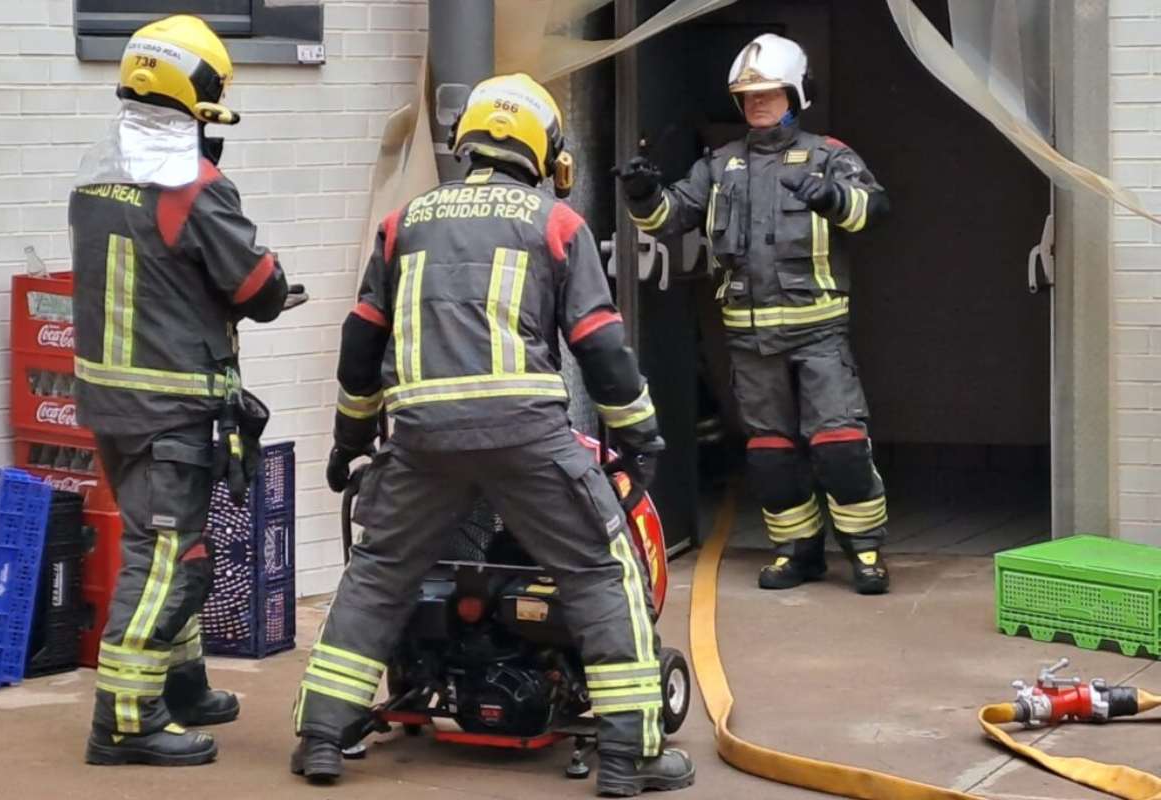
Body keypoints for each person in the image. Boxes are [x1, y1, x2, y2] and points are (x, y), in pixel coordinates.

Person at [289, 73, 695, 797]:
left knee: (378, 573)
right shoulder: (556, 223)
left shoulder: (404, 221)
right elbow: (599, 345)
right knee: (602, 573)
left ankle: (322, 736)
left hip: (419, 437)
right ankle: (631, 758)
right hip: (525, 435)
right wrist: (643, 437)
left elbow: (361, 347)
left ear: (467, 139)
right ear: (541, 148)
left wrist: (350, 442)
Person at [70, 14, 304, 766]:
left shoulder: (94, 174)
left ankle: (183, 684)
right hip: (170, 403)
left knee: (173, 546)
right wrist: (269, 284)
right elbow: (254, 283)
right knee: (169, 558)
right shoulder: (192, 187)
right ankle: (127, 721)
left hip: (111, 402)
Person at [617, 33, 892, 594]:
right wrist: (643, 195)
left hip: (819, 334)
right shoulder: (719, 166)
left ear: (796, 94)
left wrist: (833, 197)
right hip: (749, 341)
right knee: (770, 457)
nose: (758, 103)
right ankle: (797, 553)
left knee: (839, 447)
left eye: (768, 93)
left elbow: (875, 210)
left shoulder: (829, 155)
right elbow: (669, 217)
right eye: (748, 96)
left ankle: (865, 553)